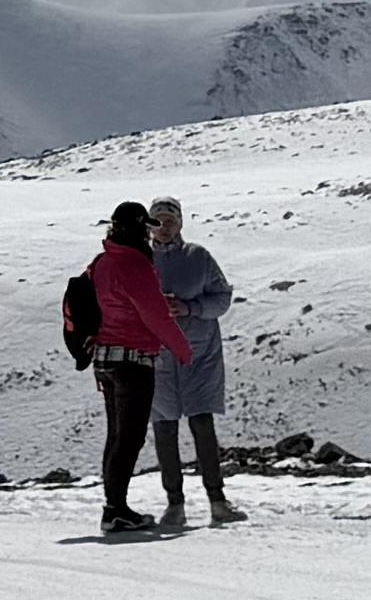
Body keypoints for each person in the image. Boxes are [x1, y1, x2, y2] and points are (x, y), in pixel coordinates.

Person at [57, 200, 179, 539]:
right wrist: (182, 349)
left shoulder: (101, 262)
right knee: (130, 437)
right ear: (141, 227)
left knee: (116, 436)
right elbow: (154, 315)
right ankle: (115, 511)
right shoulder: (135, 265)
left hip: (105, 360)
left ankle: (115, 508)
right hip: (133, 361)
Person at [146, 198, 239, 526]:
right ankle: (175, 505)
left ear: (181, 223)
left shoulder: (198, 257)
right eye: (157, 220)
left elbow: (222, 297)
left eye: (170, 219)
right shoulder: (141, 260)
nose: (164, 226)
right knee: (164, 428)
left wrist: (190, 309)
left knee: (203, 425)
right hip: (157, 356)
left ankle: (217, 501)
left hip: (198, 354)